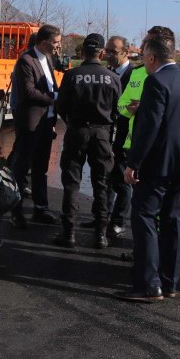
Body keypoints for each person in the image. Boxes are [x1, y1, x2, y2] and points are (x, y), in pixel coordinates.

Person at [118, 30, 180, 302]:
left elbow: (149, 128)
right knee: (174, 220)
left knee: (144, 217)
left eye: (145, 56)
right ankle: (170, 283)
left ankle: (148, 284)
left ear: (152, 56)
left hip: (157, 165)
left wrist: (133, 163)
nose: (143, 61)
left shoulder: (156, 82)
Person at [54, 33, 121, 248]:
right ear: (101, 53)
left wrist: (72, 121)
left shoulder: (72, 75)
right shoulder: (113, 78)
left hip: (77, 131)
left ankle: (69, 233)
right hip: (102, 134)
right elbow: (118, 109)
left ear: (82, 52)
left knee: (71, 183)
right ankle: (101, 235)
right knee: (101, 184)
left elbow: (61, 107)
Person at [7, 24, 62, 228]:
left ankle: (41, 208)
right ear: (43, 41)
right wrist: (55, 98)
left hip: (46, 123)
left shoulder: (48, 59)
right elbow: (29, 93)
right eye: (56, 42)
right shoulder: (25, 60)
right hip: (30, 125)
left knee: (41, 168)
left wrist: (53, 119)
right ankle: (16, 210)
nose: (58, 46)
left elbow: (50, 85)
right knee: (22, 169)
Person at [83, 35, 134, 239]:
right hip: (106, 137)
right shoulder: (108, 73)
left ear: (126, 53)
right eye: (108, 50)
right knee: (105, 179)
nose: (109, 55)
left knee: (122, 182)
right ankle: (101, 217)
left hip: (125, 138)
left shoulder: (135, 75)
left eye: (114, 51)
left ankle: (118, 222)